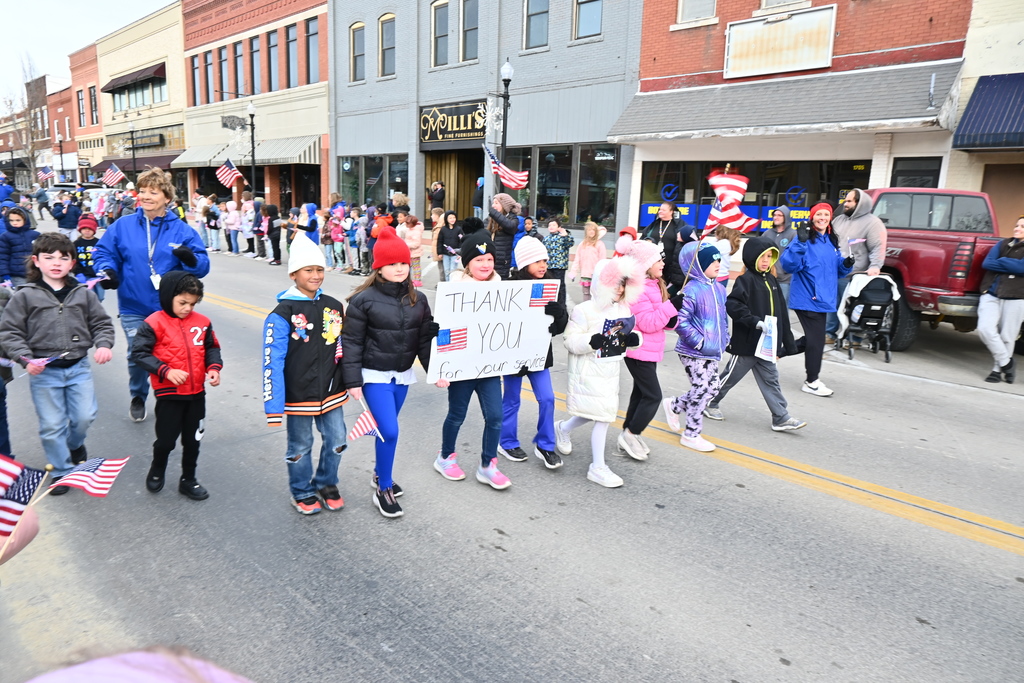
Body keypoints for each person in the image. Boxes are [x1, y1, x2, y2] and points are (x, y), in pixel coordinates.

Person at [92, 167, 210, 423]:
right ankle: (138, 394)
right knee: (138, 354)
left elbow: (203, 266)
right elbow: (102, 253)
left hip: (169, 308)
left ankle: (168, 400)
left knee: (168, 356)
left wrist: (190, 259)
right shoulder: (123, 225)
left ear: (166, 197)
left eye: (152, 192)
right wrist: (107, 270)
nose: (145, 196)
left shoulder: (183, 231)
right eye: (142, 191)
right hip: (134, 306)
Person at [0, 233, 115, 494]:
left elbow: (101, 323)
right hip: (44, 373)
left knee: (84, 417)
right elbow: (10, 332)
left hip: (78, 368)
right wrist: (25, 359)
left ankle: (75, 444)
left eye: (63, 258)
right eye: (48, 257)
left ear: (72, 263)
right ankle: (62, 471)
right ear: (36, 261)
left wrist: (104, 344)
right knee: (52, 425)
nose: (56, 263)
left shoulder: (82, 294)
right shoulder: (25, 296)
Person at [342, 228, 435, 518]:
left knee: (387, 430)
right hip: (374, 376)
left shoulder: (418, 299)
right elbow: (352, 342)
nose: (399, 268)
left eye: (404, 263)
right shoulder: (363, 300)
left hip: (402, 375)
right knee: (389, 432)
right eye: (392, 263)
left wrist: (437, 370)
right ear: (379, 267)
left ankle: (379, 472)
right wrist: (353, 381)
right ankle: (384, 487)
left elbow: (423, 342)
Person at [262, 233, 348, 515]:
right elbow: (271, 361)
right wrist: (273, 406)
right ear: (293, 274)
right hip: (299, 394)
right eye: (309, 270)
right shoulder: (282, 313)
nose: (316, 275)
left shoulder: (334, 306)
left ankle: (326, 483)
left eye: (320, 269)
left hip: (332, 391)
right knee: (300, 445)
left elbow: (343, 347)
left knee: (337, 441)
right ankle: (301, 490)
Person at [131, 272, 222, 501]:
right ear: (168, 296)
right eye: (182, 302)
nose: (187, 308)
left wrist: (213, 367)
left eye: (192, 304)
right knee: (166, 440)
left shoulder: (202, 323)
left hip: (196, 394)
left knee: (193, 440)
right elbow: (140, 353)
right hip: (170, 394)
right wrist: (166, 371)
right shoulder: (153, 323)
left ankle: (188, 479)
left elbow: (212, 347)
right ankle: (157, 468)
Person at [556, 256, 644, 487]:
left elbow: (631, 333)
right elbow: (570, 340)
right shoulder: (584, 310)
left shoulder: (622, 308)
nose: (620, 289)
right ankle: (597, 467)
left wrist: (635, 339)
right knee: (603, 417)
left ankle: (562, 428)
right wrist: (590, 341)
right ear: (602, 283)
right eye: (615, 283)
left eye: (623, 284)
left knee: (594, 411)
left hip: (609, 369)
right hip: (587, 371)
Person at [433, 231, 511, 490]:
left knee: (496, 416)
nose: (485, 264)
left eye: (489, 258)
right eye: (479, 259)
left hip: (488, 366)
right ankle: (445, 456)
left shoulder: (503, 289)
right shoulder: (454, 290)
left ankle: (488, 464)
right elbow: (442, 331)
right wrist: (441, 368)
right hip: (460, 367)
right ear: (467, 263)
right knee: (457, 414)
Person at [704, 236, 806, 431]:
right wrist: (755, 322)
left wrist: (787, 344)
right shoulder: (746, 280)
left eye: (770, 256)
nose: (766, 260)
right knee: (729, 377)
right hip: (748, 344)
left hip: (766, 345)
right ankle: (708, 402)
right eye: (763, 256)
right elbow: (733, 305)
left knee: (771, 380)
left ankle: (781, 417)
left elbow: (782, 314)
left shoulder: (772, 281)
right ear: (752, 257)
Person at [498, 237, 568, 469]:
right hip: (513, 355)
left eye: (545, 260)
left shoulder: (552, 285)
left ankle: (545, 445)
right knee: (511, 399)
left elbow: (558, 329)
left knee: (548, 398)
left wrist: (559, 314)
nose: (543, 265)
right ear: (525, 262)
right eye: (537, 261)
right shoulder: (509, 286)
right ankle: (507, 441)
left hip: (539, 354)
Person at [780, 202, 854, 397]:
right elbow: (788, 265)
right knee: (816, 341)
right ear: (812, 217)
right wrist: (800, 242)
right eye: (818, 214)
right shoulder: (804, 239)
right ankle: (811, 381)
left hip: (824, 298)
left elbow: (836, 270)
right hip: (807, 296)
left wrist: (846, 264)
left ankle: (774, 353)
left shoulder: (829, 240)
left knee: (815, 339)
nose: (823, 217)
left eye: (826, 214)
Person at [618, 240, 682, 460]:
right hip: (638, 348)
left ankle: (628, 432)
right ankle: (632, 433)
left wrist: (674, 315)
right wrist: (672, 306)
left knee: (641, 392)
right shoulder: (639, 288)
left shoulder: (654, 284)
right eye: (658, 259)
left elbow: (661, 319)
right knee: (653, 396)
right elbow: (647, 322)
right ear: (646, 264)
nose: (663, 263)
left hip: (649, 349)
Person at [661, 243, 728, 453]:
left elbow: (722, 317)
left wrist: (725, 338)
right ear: (699, 265)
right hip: (693, 350)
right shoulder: (691, 289)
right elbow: (680, 321)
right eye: (712, 261)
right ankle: (691, 433)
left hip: (713, 349)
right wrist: (698, 342)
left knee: (714, 387)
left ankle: (675, 405)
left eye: (719, 260)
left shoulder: (719, 288)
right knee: (701, 388)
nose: (718, 264)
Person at [828, 189, 887, 342]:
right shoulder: (838, 220)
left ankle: (854, 339)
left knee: (854, 309)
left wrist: (875, 266)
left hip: (855, 275)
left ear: (859, 203)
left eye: (849, 201)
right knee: (832, 306)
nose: (845, 204)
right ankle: (830, 334)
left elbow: (877, 247)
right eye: (845, 201)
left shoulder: (873, 223)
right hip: (834, 273)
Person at [977, 216, 1024, 383]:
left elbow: (1022, 268)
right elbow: (987, 263)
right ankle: (1007, 363)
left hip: (1017, 297)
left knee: (1007, 336)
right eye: (1017, 225)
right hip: (991, 293)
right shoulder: (1002, 244)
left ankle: (997, 371)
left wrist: (1002, 261)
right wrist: (1012, 265)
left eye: (1022, 227)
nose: (1017, 229)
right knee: (985, 329)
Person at [640, 201, 695, 293]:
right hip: (653, 266)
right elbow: (642, 240)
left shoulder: (680, 225)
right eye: (660, 209)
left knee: (667, 293)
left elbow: (691, 242)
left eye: (663, 210)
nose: (660, 211)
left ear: (671, 212)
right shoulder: (653, 225)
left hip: (671, 268)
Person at [567, 221, 608, 301]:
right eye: (589, 230)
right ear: (586, 232)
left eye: (593, 230)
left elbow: (603, 260)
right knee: (586, 293)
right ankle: (585, 308)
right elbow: (577, 259)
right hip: (585, 274)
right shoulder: (582, 244)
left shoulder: (599, 244)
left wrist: (602, 273)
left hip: (596, 274)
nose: (592, 232)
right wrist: (573, 271)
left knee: (595, 293)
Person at [0, 208, 40, 286]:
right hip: (16, 274)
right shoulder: (5, 237)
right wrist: (5, 274)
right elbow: (3, 257)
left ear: (25, 220)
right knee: (22, 295)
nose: (14, 223)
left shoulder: (35, 235)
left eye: (18, 220)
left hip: (35, 273)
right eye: (11, 220)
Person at [765, 206, 796, 301]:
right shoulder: (767, 233)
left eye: (779, 215)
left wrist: (786, 270)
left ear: (786, 217)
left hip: (784, 279)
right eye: (774, 215)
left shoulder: (793, 234)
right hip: (766, 277)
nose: (775, 217)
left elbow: (796, 256)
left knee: (781, 307)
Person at [487, 193, 520, 279]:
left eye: (496, 203)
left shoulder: (513, 219)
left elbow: (509, 226)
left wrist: (493, 212)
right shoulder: (490, 220)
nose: (493, 206)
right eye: (493, 203)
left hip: (502, 263)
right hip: (488, 261)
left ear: (505, 206)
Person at [72, 215, 104, 302]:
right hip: (84, 274)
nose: (87, 230)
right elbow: (73, 260)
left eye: (89, 229)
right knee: (89, 297)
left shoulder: (99, 243)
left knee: (100, 297)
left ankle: (96, 310)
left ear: (94, 230)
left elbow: (104, 257)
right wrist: (77, 273)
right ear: (80, 229)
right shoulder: (76, 244)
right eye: (84, 228)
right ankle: (91, 314)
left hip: (98, 275)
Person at [543, 219, 574, 287]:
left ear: (559, 227)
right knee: (550, 284)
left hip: (560, 265)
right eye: (549, 225)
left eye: (554, 225)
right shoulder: (546, 238)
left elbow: (570, 243)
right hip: (549, 265)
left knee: (560, 284)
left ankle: (561, 298)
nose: (551, 227)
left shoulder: (563, 236)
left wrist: (566, 235)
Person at [436, 210, 462, 283]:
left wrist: (460, 252)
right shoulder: (443, 229)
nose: (452, 219)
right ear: (446, 219)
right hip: (445, 253)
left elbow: (461, 241)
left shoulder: (459, 229)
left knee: (453, 269)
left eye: (454, 217)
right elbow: (440, 241)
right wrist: (440, 252)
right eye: (450, 218)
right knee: (446, 270)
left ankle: (452, 284)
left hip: (455, 253)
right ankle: (447, 284)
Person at [399, 214, 424, 287]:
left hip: (415, 252)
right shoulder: (411, 229)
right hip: (410, 252)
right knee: (410, 266)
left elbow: (417, 243)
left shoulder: (416, 231)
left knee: (416, 267)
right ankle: (412, 279)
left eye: (407, 223)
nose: (405, 224)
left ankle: (417, 280)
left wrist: (406, 245)